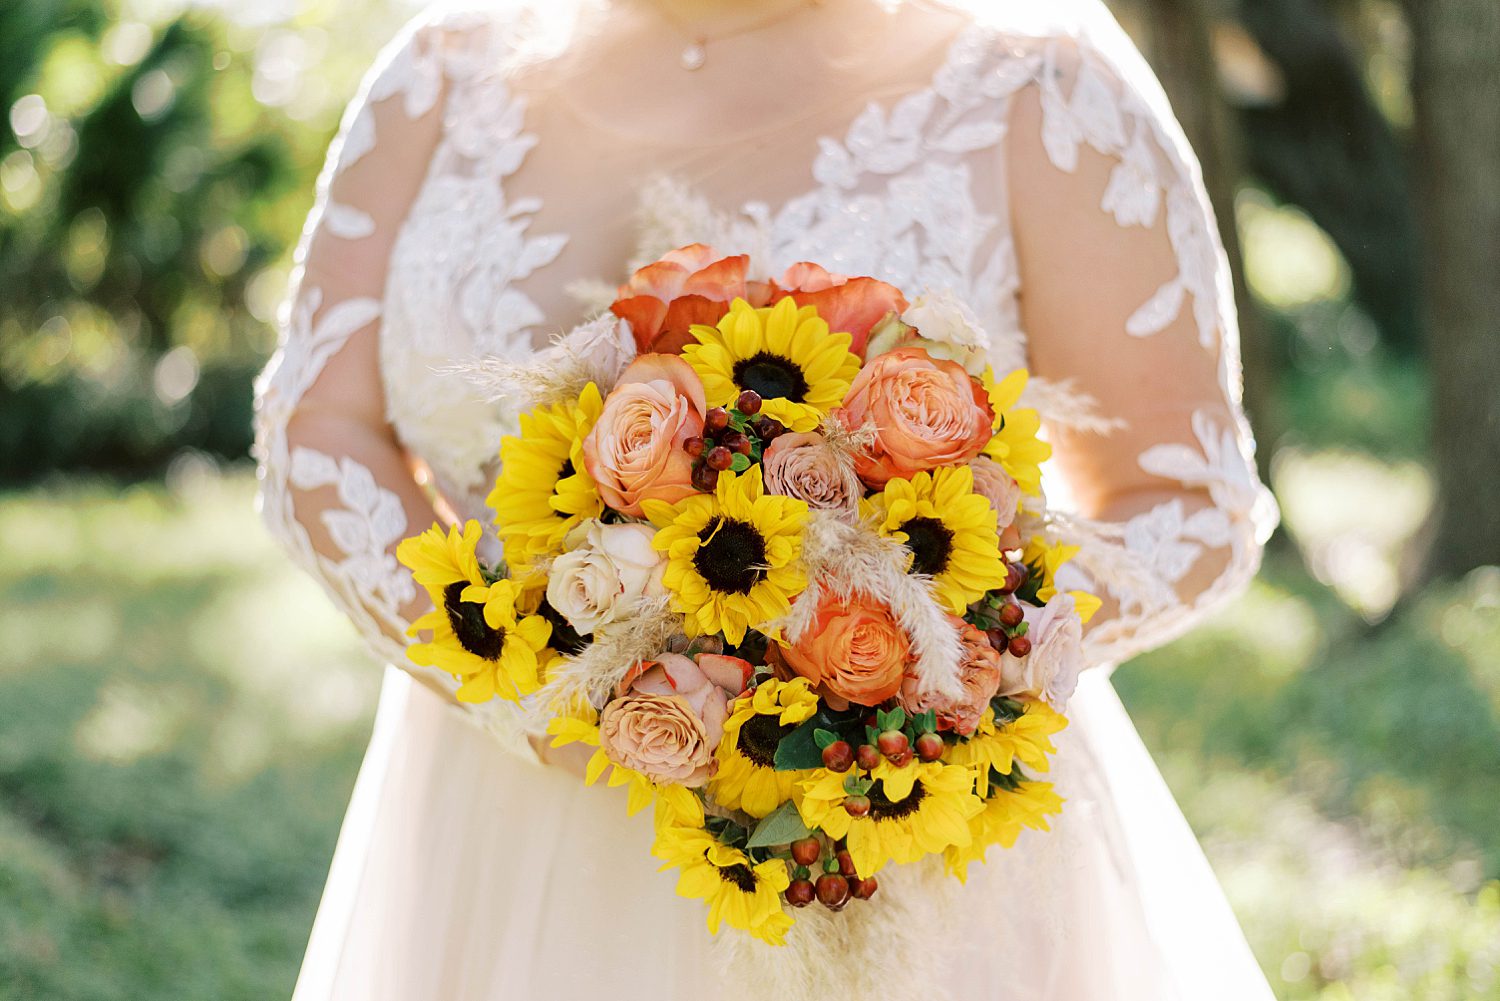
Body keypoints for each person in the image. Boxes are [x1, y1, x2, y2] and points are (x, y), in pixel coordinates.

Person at [253, 0, 1280, 997]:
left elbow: (1186, 502)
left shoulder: (1035, 88)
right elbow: (319, 427)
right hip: (500, 807)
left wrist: (925, 681)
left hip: (882, 847)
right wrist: (525, 693)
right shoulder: (441, 73)